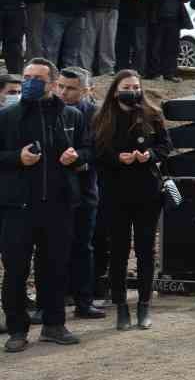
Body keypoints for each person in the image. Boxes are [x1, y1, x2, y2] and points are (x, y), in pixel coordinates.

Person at [1, 58, 90, 352]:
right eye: (27, 76)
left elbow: (90, 149)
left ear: (52, 84)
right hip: (18, 208)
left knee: (54, 268)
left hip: (58, 206)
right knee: (15, 270)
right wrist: (18, 158)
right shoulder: (7, 116)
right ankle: (17, 328)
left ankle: (54, 324)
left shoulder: (72, 116)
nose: (29, 82)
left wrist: (76, 157)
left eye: (37, 78)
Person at [91, 70, 172, 331]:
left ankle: (144, 305)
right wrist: (117, 159)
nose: (133, 90)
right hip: (115, 193)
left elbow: (165, 146)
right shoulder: (103, 117)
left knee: (146, 251)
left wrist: (148, 155)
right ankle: (121, 308)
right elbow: (95, 153)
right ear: (116, 90)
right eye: (127, 86)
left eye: (136, 86)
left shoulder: (152, 114)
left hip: (147, 191)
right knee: (118, 252)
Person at [55, 67, 103, 321]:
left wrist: (78, 159)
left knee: (83, 247)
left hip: (84, 191)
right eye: (61, 86)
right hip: (53, 193)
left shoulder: (95, 116)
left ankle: (84, 301)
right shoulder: (49, 110)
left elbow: (98, 150)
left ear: (85, 91)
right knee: (53, 249)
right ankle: (54, 301)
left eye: (71, 88)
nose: (64, 92)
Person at [147, 0, 189, 82]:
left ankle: (170, 73)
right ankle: (155, 73)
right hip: (157, 16)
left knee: (172, 47)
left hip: (174, 17)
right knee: (155, 46)